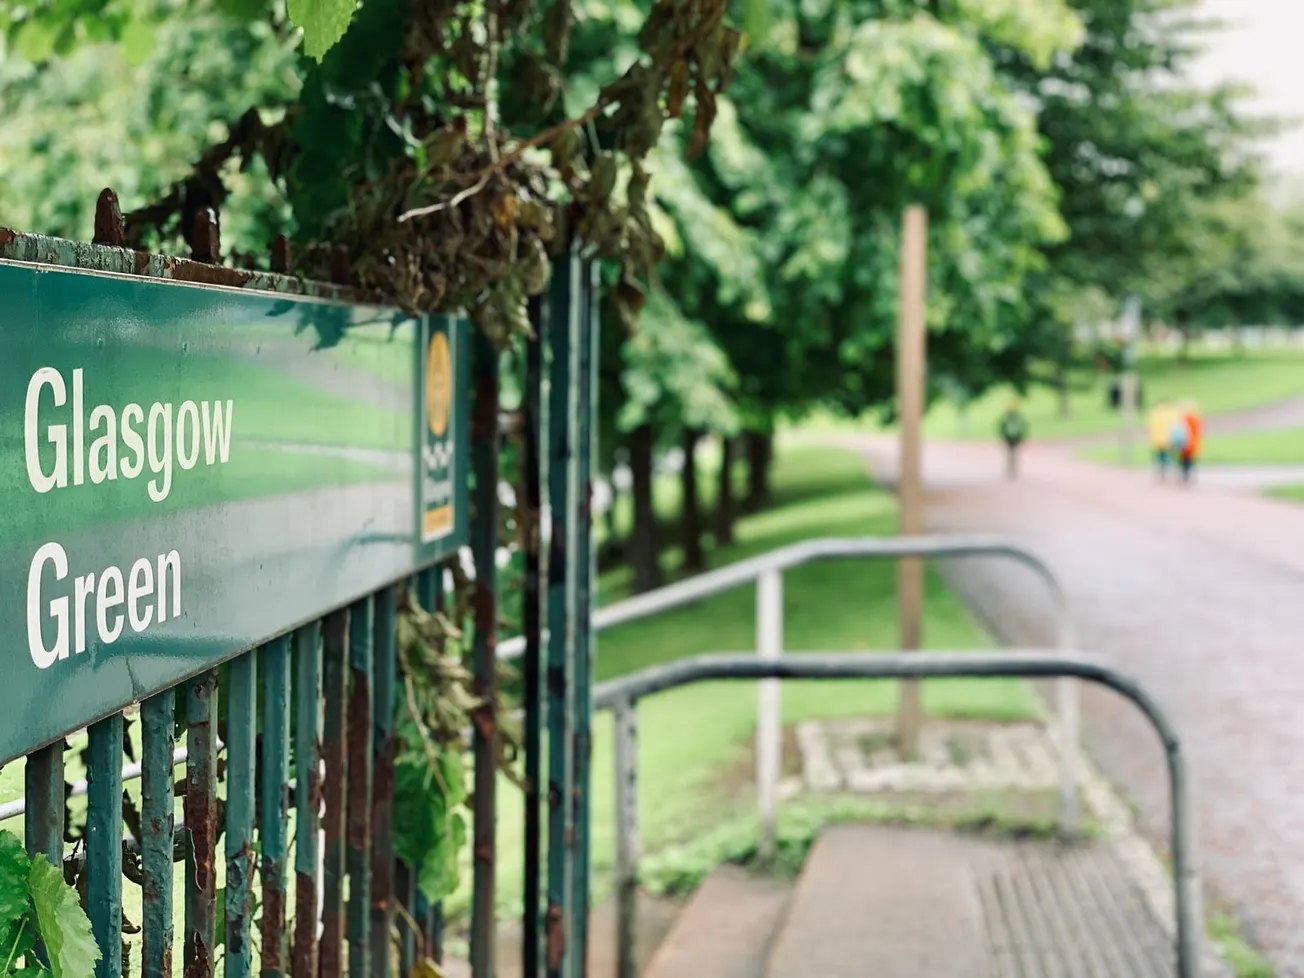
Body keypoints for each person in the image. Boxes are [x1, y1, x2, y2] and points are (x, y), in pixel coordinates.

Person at [1146, 400, 1180, 481]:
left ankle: (1162, 471)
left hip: (1158, 440)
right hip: (1169, 439)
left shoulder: (1154, 413)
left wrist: (1151, 437)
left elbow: (1150, 427)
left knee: (1160, 457)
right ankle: (1170, 471)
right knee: (1169, 457)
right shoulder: (1172, 413)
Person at [998, 398, 1027, 480]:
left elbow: (1021, 428)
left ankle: (1012, 469)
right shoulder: (1010, 418)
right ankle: (1011, 469)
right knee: (1011, 455)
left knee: (1012, 454)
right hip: (1010, 438)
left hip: (1014, 438)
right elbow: (1002, 428)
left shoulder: (1015, 418)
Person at [1175, 399, 1202, 483]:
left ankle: (1185, 475)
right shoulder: (1196, 419)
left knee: (1184, 461)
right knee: (1190, 460)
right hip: (1192, 443)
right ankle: (1189, 474)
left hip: (1184, 443)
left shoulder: (1183, 419)